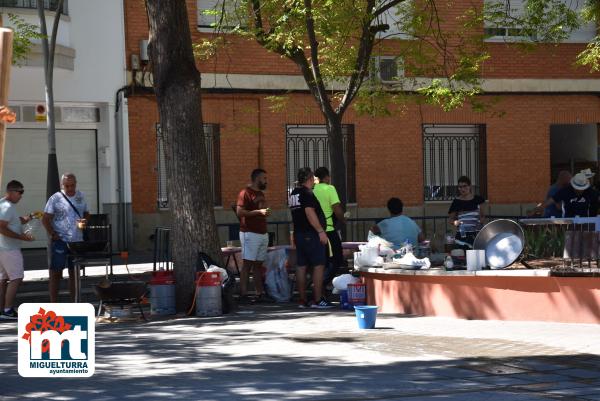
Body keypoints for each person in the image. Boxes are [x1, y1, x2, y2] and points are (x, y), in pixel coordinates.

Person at [289, 167, 333, 309]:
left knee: (301, 266)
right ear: (308, 178)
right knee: (318, 265)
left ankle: (302, 299)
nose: (314, 181)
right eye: (313, 178)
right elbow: (309, 212)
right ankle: (318, 299)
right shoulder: (307, 193)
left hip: (299, 234)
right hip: (311, 234)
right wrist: (320, 231)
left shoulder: (293, 194)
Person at [42, 173, 89, 302]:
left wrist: (85, 220)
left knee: (74, 274)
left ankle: (74, 302)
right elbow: (45, 219)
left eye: (72, 185)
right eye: (67, 186)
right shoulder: (55, 198)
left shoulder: (81, 196)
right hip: (60, 241)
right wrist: (53, 234)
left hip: (77, 241)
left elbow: (86, 212)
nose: (70, 188)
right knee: (56, 273)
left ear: (76, 183)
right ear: (63, 185)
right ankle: (54, 304)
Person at [236, 168, 271, 303]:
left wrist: (264, 212)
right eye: (264, 178)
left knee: (258, 264)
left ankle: (260, 293)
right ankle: (243, 294)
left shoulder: (260, 193)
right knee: (247, 264)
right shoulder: (245, 193)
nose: (266, 181)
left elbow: (261, 210)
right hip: (249, 233)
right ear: (257, 179)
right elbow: (240, 212)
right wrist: (258, 212)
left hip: (262, 232)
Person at [0, 181, 34, 319]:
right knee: (17, 278)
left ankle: (2, 310)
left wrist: (29, 217)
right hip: (9, 249)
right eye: (20, 192)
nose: (21, 195)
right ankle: (8, 310)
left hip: (3, 249)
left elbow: (13, 220)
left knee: (2, 279)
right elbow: (1, 227)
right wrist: (22, 237)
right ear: (11, 191)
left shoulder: (4, 204)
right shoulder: (7, 206)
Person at [313, 167, 346, 287]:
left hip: (314, 231)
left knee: (320, 262)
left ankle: (316, 287)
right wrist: (343, 219)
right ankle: (320, 285)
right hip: (328, 230)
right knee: (336, 260)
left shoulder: (311, 189)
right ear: (327, 177)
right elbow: (336, 208)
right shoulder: (330, 188)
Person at [448, 176, 485, 246]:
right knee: (460, 256)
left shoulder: (478, 199)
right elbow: (450, 219)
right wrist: (456, 222)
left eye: (464, 186)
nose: (462, 189)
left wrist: (480, 222)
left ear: (470, 186)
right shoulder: (456, 202)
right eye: (460, 187)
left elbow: (482, 216)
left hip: (476, 235)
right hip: (461, 236)